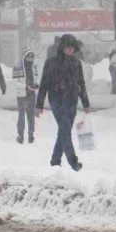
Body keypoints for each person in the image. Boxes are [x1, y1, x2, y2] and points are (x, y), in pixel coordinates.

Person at [36, 33, 89, 171]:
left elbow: (81, 83)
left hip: (72, 100)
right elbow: (44, 83)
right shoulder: (51, 63)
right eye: (67, 46)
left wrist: (85, 103)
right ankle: (73, 160)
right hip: (57, 100)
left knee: (64, 131)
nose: (70, 49)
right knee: (65, 129)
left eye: (72, 47)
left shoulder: (76, 63)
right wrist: (39, 104)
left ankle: (55, 160)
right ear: (62, 47)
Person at [12, 49, 38, 144]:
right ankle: (20, 135)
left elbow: (35, 78)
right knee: (21, 114)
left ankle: (31, 135)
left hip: (31, 93)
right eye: (29, 57)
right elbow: (15, 83)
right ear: (24, 57)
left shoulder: (34, 67)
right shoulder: (17, 67)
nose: (30, 59)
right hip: (21, 94)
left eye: (32, 57)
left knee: (31, 115)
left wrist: (35, 85)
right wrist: (26, 86)